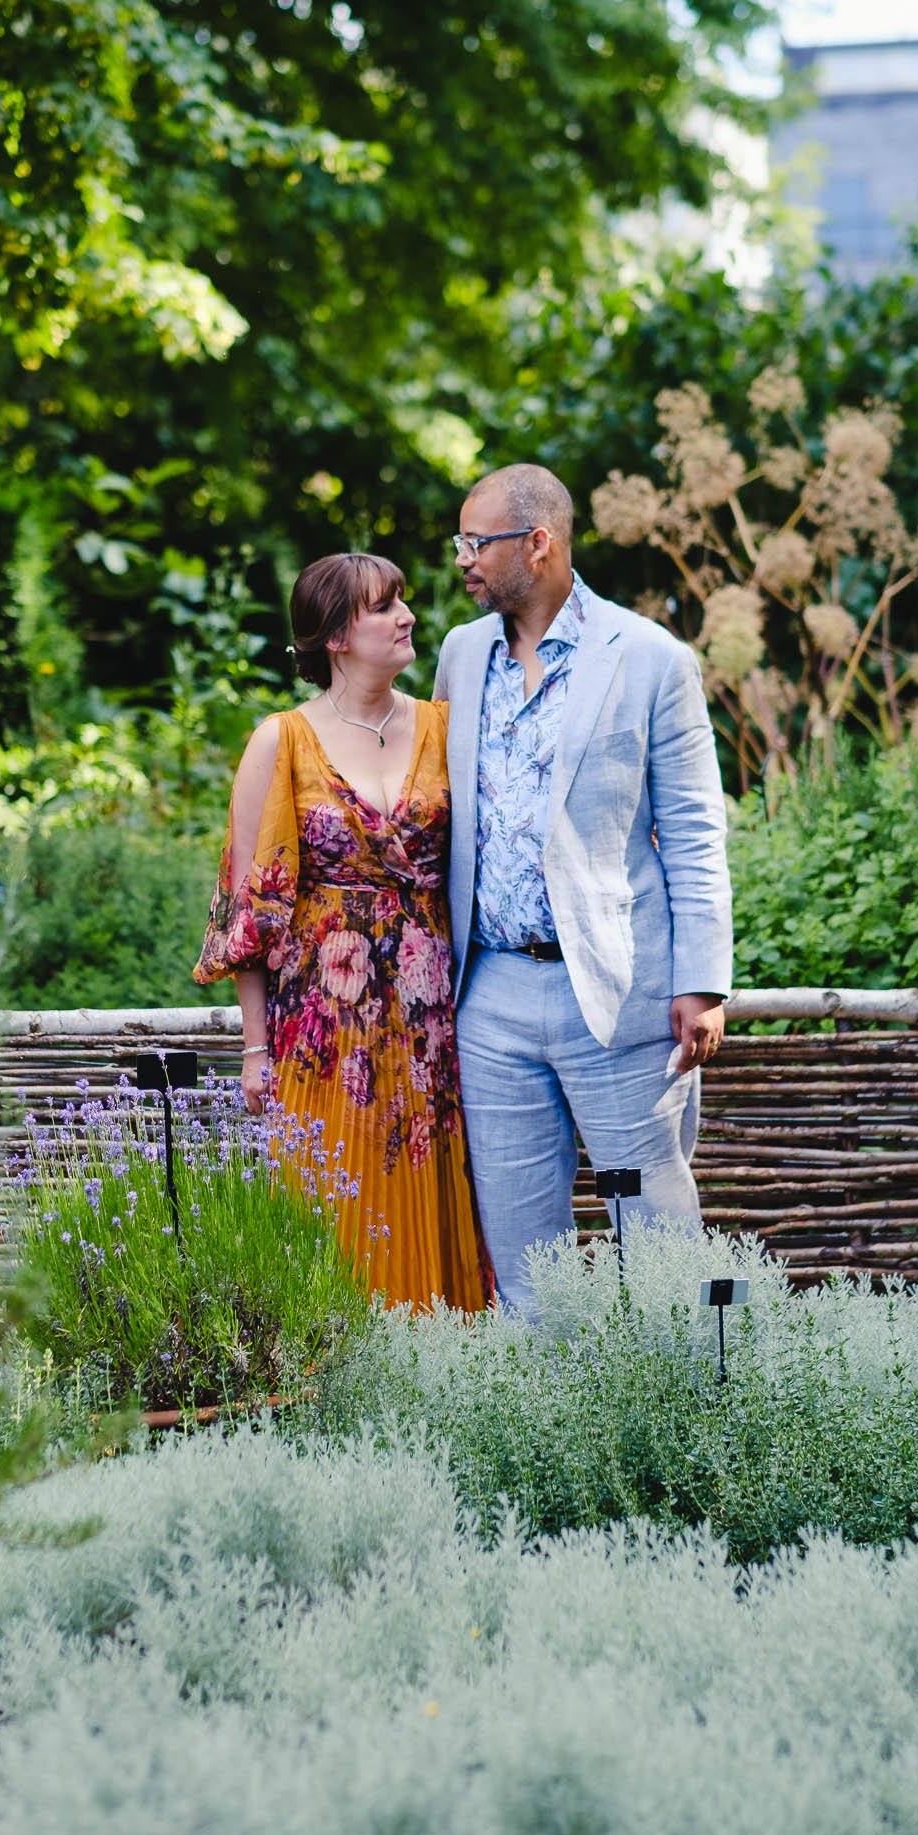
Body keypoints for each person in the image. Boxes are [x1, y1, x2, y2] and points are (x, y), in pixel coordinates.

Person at [433, 462, 733, 1309]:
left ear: (538, 544)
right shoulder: (459, 655)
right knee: (524, 1260)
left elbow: (693, 828)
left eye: (476, 542)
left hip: (613, 991)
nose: (462, 560)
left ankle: (693, 1412)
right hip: (487, 993)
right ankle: (547, 1427)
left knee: (658, 1239)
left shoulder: (648, 658)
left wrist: (701, 982)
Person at [194, 551, 492, 1311]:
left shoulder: (446, 728)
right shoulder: (281, 741)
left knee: (433, 1205)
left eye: (404, 601)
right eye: (383, 606)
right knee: (332, 1216)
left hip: (432, 1027)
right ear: (333, 635)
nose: (407, 617)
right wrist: (256, 1051)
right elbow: (249, 911)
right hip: (321, 1032)